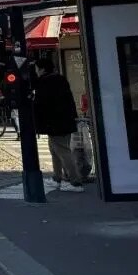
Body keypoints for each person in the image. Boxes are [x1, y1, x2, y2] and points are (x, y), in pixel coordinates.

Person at [33, 58, 85, 190]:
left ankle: (75, 182)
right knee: (55, 150)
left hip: (55, 122)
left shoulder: (45, 82)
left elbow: (41, 104)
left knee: (62, 151)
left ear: (42, 69)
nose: (36, 71)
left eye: (37, 69)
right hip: (63, 120)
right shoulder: (60, 79)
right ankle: (57, 178)